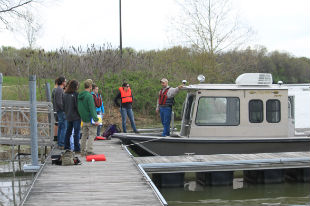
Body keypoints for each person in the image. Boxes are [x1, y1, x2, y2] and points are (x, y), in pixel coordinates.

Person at [78, 79, 99, 156]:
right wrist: (96, 119)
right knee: (92, 134)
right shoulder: (89, 96)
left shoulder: (80, 96)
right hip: (90, 119)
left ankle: (82, 151)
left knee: (84, 135)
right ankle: (89, 151)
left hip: (83, 119)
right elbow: (92, 108)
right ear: (90, 87)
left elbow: (79, 108)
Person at [63, 80, 81, 153]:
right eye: (77, 86)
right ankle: (77, 148)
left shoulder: (65, 94)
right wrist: (80, 115)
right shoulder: (76, 94)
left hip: (68, 116)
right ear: (75, 86)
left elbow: (63, 105)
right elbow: (77, 106)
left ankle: (66, 146)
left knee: (68, 132)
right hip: (76, 116)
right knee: (76, 132)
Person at [53, 76, 67, 149]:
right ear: (62, 82)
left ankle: (60, 142)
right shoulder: (59, 90)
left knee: (61, 127)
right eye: (65, 81)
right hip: (61, 111)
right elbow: (59, 102)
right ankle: (61, 143)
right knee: (63, 127)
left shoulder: (60, 89)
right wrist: (64, 109)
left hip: (61, 111)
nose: (65, 82)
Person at [51, 77, 59, 142]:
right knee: (57, 123)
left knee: (56, 122)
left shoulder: (54, 90)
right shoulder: (55, 90)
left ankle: (56, 136)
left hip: (55, 108)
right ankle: (55, 136)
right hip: (56, 108)